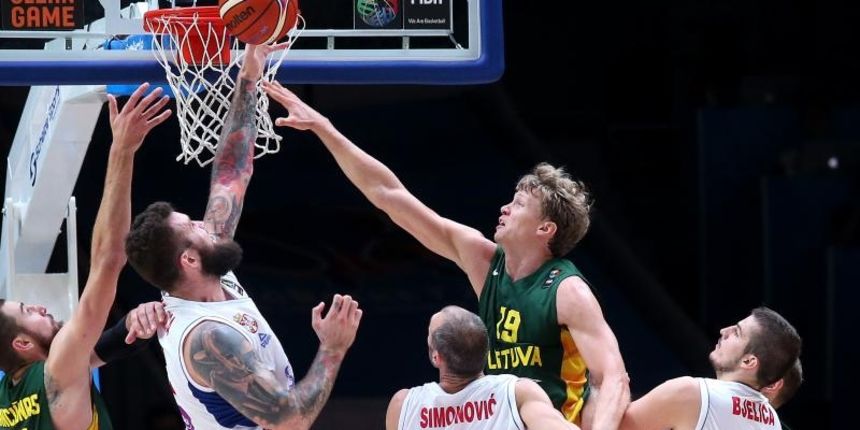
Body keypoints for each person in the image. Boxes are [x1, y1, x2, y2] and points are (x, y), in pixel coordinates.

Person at [262, 81, 630, 428]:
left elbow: (613, 376)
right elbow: (389, 195)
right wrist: (325, 128)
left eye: (517, 204)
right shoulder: (484, 260)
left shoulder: (567, 291)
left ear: (545, 229)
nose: (503, 208)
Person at [124, 43, 363, 430]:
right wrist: (333, 348)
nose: (205, 225)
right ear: (188, 259)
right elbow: (290, 419)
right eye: (193, 227)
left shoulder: (209, 276)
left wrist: (248, 77)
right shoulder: (207, 338)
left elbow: (231, 173)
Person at [0, 82, 171, 429]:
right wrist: (122, 150)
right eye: (25, 311)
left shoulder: (9, 395)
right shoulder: (55, 372)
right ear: (22, 342)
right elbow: (108, 262)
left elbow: (92, 355)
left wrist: (131, 327)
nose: (37, 305)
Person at [387, 306, 581, 430]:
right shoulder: (516, 393)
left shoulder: (404, 405)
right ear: (486, 350)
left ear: (437, 357)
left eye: (429, 335)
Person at [619, 307, 802, 430]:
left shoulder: (691, 392)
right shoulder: (772, 421)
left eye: (736, 333)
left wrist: (615, 387)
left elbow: (610, 425)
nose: (724, 331)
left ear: (749, 361)